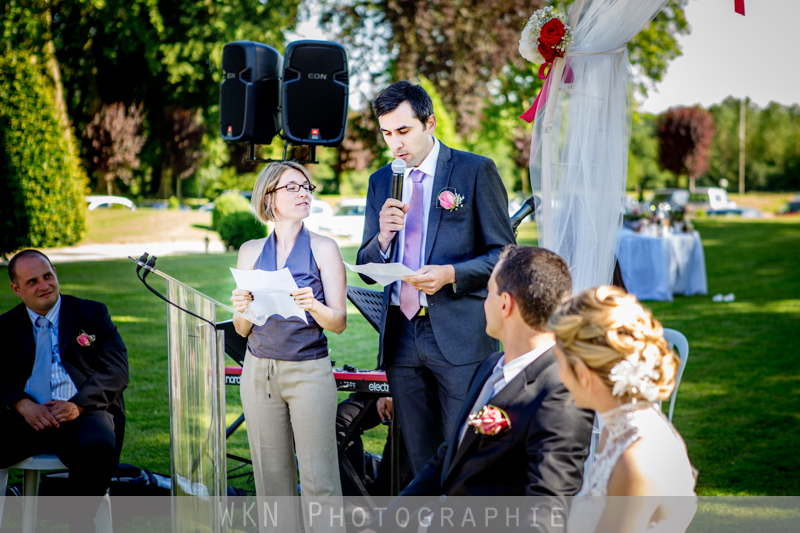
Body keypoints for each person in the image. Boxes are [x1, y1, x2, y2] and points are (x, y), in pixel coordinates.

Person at [363, 245, 594, 533]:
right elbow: (448, 456)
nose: (484, 301)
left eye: (488, 291)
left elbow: (546, 513)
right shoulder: (490, 366)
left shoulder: (562, 395)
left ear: (505, 304)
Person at [356, 81, 515, 475]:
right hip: (401, 337)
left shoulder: (475, 170)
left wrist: (450, 274)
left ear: (430, 123)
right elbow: (366, 264)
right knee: (420, 458)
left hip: (460, 335)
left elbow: (505, 255)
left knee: (467, 451)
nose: (395, 144)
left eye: (403, 130)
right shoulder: (381, 181)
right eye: (387, 134)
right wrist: (383, 237)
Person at [230, 161, 347, 533]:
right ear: (269, 197)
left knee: (319, 480)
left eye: (306, 187)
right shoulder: (250, 251)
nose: (303, 193)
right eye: (292, 187)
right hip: (258, 373)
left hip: (309, 372)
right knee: (271, 483)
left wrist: (313, 305)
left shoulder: (325, 248)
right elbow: (241, 329)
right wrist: (243, 307)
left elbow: (339, 322)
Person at [549, 286, 697, 533]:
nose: (557, 373)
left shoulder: (634, 459)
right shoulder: (620, 428)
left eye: (559, 362)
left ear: (582, 374)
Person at [0, 249, 128, 530]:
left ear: (55, 273)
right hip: (25, 417)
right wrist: (22, 404)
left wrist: (78, 404)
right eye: (32, 282)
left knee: (98, 445)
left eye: (47, 276)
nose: (44, 285)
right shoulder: (5, 326)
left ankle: (78, 525)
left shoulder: (92, 314)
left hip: (82, 412)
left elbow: (117, 370)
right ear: (16, 289)